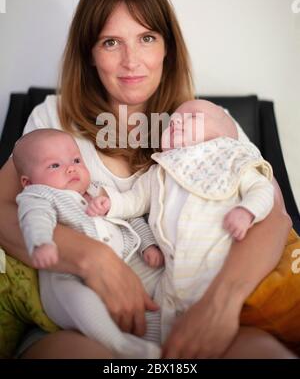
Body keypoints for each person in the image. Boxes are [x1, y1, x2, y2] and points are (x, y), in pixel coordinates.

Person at [0, 0, 296, 359]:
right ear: (89, 53)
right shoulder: (53, 119)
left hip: (197, 314)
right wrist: (92, 258)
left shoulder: (208, 121)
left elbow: (275, 218)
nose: (132, 61)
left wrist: (220, 306)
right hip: (85, 327)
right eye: (111, 42)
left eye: (146, 38)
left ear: (166, 47)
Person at [86, 99, 283, 343]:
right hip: (172, 284)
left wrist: (247, 211)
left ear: (224, 136)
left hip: (217, 272)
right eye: (173, 121)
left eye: (191, 117)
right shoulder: (160, 170)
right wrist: (111, 204)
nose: (177, 121)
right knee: (165, 335)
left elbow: (262, 190)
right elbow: (135, 200)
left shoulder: (231, 159)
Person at [13, 128, 163, 358]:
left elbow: (130, 215)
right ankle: (120, 346)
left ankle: (157, 347)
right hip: (68, 275)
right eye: (55, 165)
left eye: (75, 160)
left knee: (153, 291)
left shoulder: (95, 189)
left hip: (124, 264)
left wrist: (148, 245)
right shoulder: (38, 195)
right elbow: (34, 218)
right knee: (79, 299)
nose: (71, 168)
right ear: (28, 182)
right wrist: (41, 242)